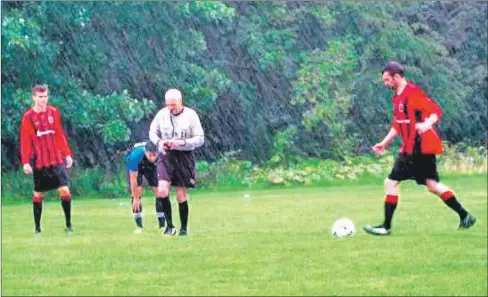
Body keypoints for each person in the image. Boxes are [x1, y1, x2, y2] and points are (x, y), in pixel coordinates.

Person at [362, 61, 476, 236]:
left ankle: (386, 227)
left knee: (391, 182)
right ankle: (465, 216)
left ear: (397, 77)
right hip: (413, 147)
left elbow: (436, 111)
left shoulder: (413, 93)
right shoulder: (397, 97)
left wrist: (426, 124)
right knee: (432, 185)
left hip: (418, 146)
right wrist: (384, 142)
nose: (385, 83)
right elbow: (398, 124)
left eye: (387, 80)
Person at [149, 88, 205, 236]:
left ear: (181, 101)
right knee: (162, 190)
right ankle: (170, 227)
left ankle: (183, 229)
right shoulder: (161, 114)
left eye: (173, 105)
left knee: (180, 195)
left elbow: (200, 138)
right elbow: (152, 132)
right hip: (166, 156)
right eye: (168, 104)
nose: (171, 108)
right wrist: (160, 142)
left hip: (184, 157)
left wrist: (180, 142)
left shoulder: (191, 115)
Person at [20, 84, 74, 235]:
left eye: (45, 96)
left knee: (64, 189)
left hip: (56, 159)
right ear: (34, 98)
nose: (42, 100)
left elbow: (59, 134)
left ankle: (68, 225)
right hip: (39, 161)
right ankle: (37, 228)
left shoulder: (54, 112)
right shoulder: (28, 117)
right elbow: (25, 140)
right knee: (38, 194)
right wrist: (25, 161)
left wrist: (67, 154)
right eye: (39, 97)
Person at [125, 141, 164, 233]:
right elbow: (133, 178)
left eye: (155, 155)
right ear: (145, 152)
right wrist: (135, 198)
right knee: (136, 194)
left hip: (150, 167)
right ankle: (139, 226)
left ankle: (162, 225)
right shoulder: (135, 156)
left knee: (159, 193)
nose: (153, 158)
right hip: (137, 165)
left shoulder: (161, 154)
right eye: (150, 155)